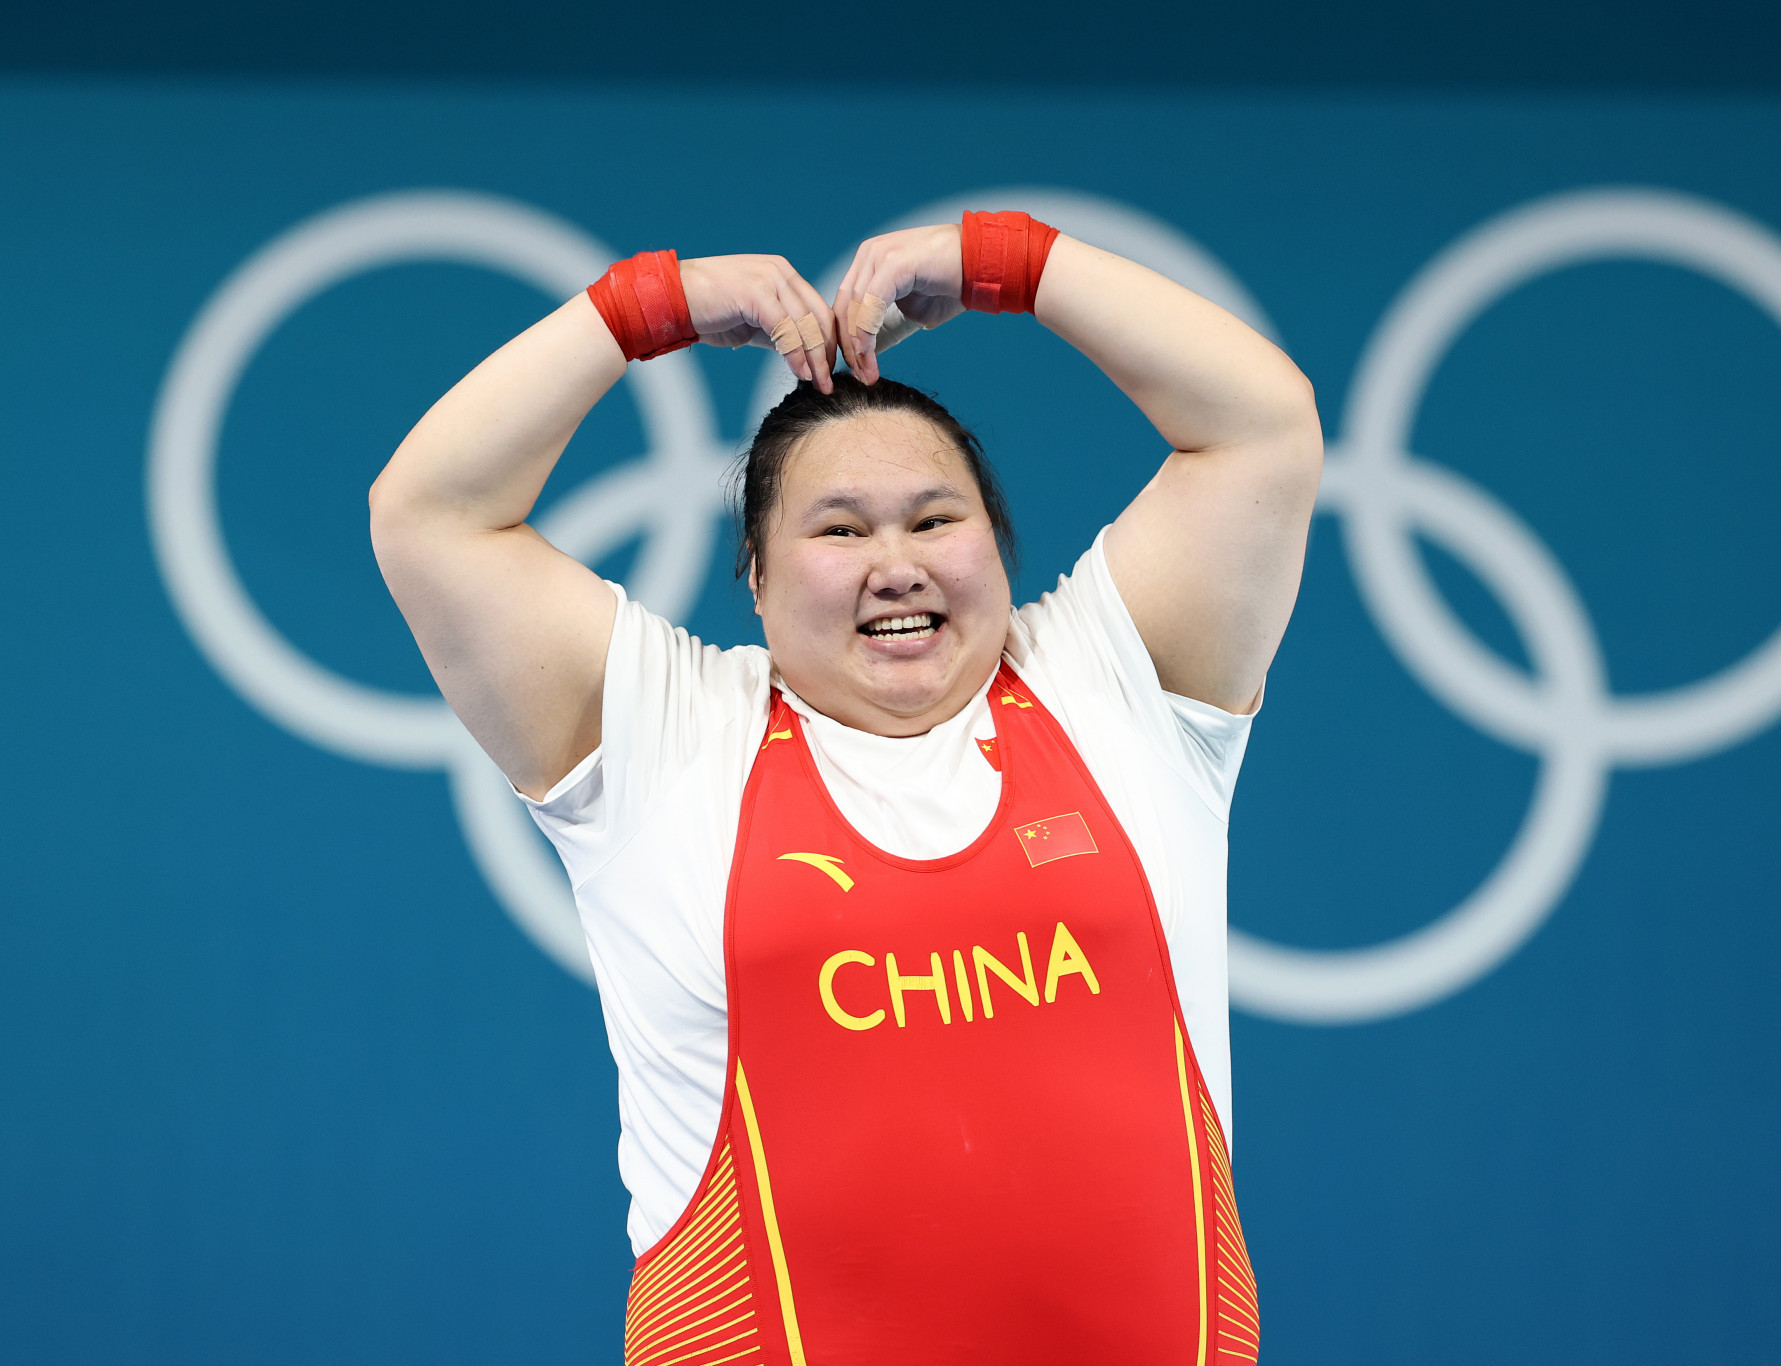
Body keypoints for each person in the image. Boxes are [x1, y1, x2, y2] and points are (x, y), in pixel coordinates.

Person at [369, 209, 1320, 1365]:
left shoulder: (1112, 689)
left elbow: (1260, 427)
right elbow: (431, 514)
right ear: (757, 584)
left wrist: (1003, 260)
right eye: (839, 528)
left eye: (935, 517)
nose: (897, 563)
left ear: (997, 552)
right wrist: (641, 308)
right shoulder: (667, 738)